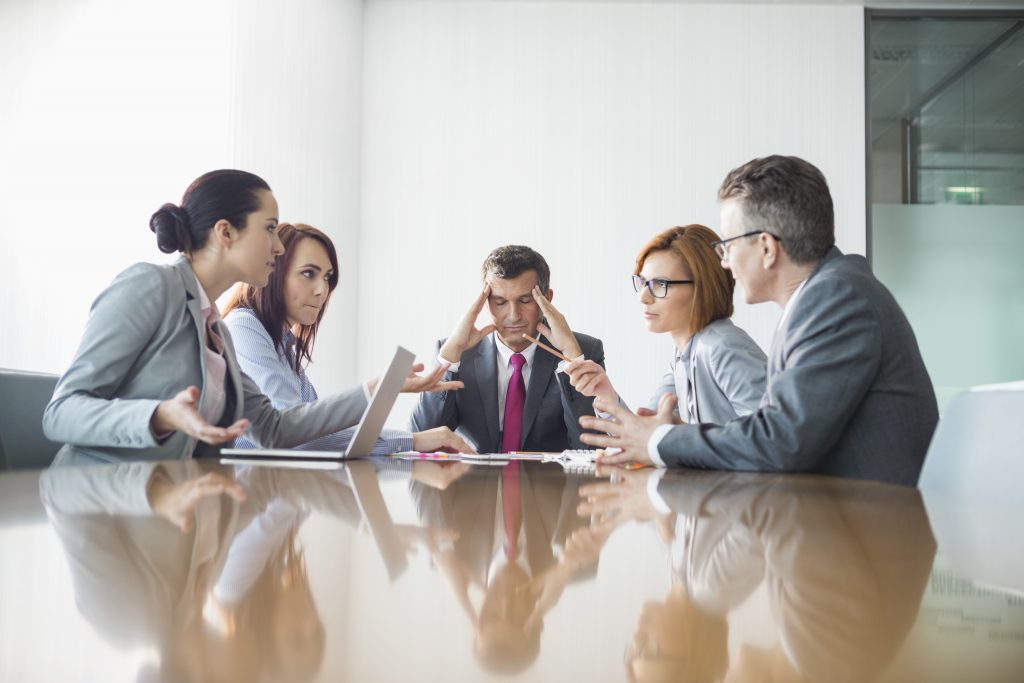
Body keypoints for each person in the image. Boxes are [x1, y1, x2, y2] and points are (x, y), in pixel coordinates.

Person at [43, 170, 452, 465]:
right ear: (225, 232)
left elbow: (274, 429)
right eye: (270, 229)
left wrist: (377, 389)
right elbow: (60, 412)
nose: (278, 246)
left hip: (170, 517)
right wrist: (159, 414)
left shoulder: (217, 328)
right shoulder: (151, 286)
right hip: (100, 506)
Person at [583, 155, 939, 486]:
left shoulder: (835, 300)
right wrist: (677, 439)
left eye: (728, 246)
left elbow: (781, 440)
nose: (724, 263)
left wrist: (666, 440)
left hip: (872, 537)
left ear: (767, 248)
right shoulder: (824, 296)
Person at [222, 222, 473, 455]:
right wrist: (411, 437)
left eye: (328, 278)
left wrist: (414, 438)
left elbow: (314, 432)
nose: (322, 290)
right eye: (309, 273)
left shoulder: (284, 346)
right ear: (272, 270)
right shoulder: (242, 326)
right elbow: (295, 434)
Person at [544, 224, 766, 426]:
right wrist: (607, 395)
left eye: (660, 284)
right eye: (642, 282)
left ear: (702, 288)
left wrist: (685, 437)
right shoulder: (685, 354)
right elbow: (646, 433)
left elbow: (770, 440)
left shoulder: (722, 346)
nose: (643, 297)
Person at [410, 245, 604, 453]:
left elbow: (591, 448)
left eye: (525, 300)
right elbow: (421, 445)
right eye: (500, 302)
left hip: (550, 482)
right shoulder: (458, 353)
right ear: (485, 303)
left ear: (546, 298)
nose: (513, 315)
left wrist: (572, 358)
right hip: (475, 482)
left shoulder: (584, 350)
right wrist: (449, 359)